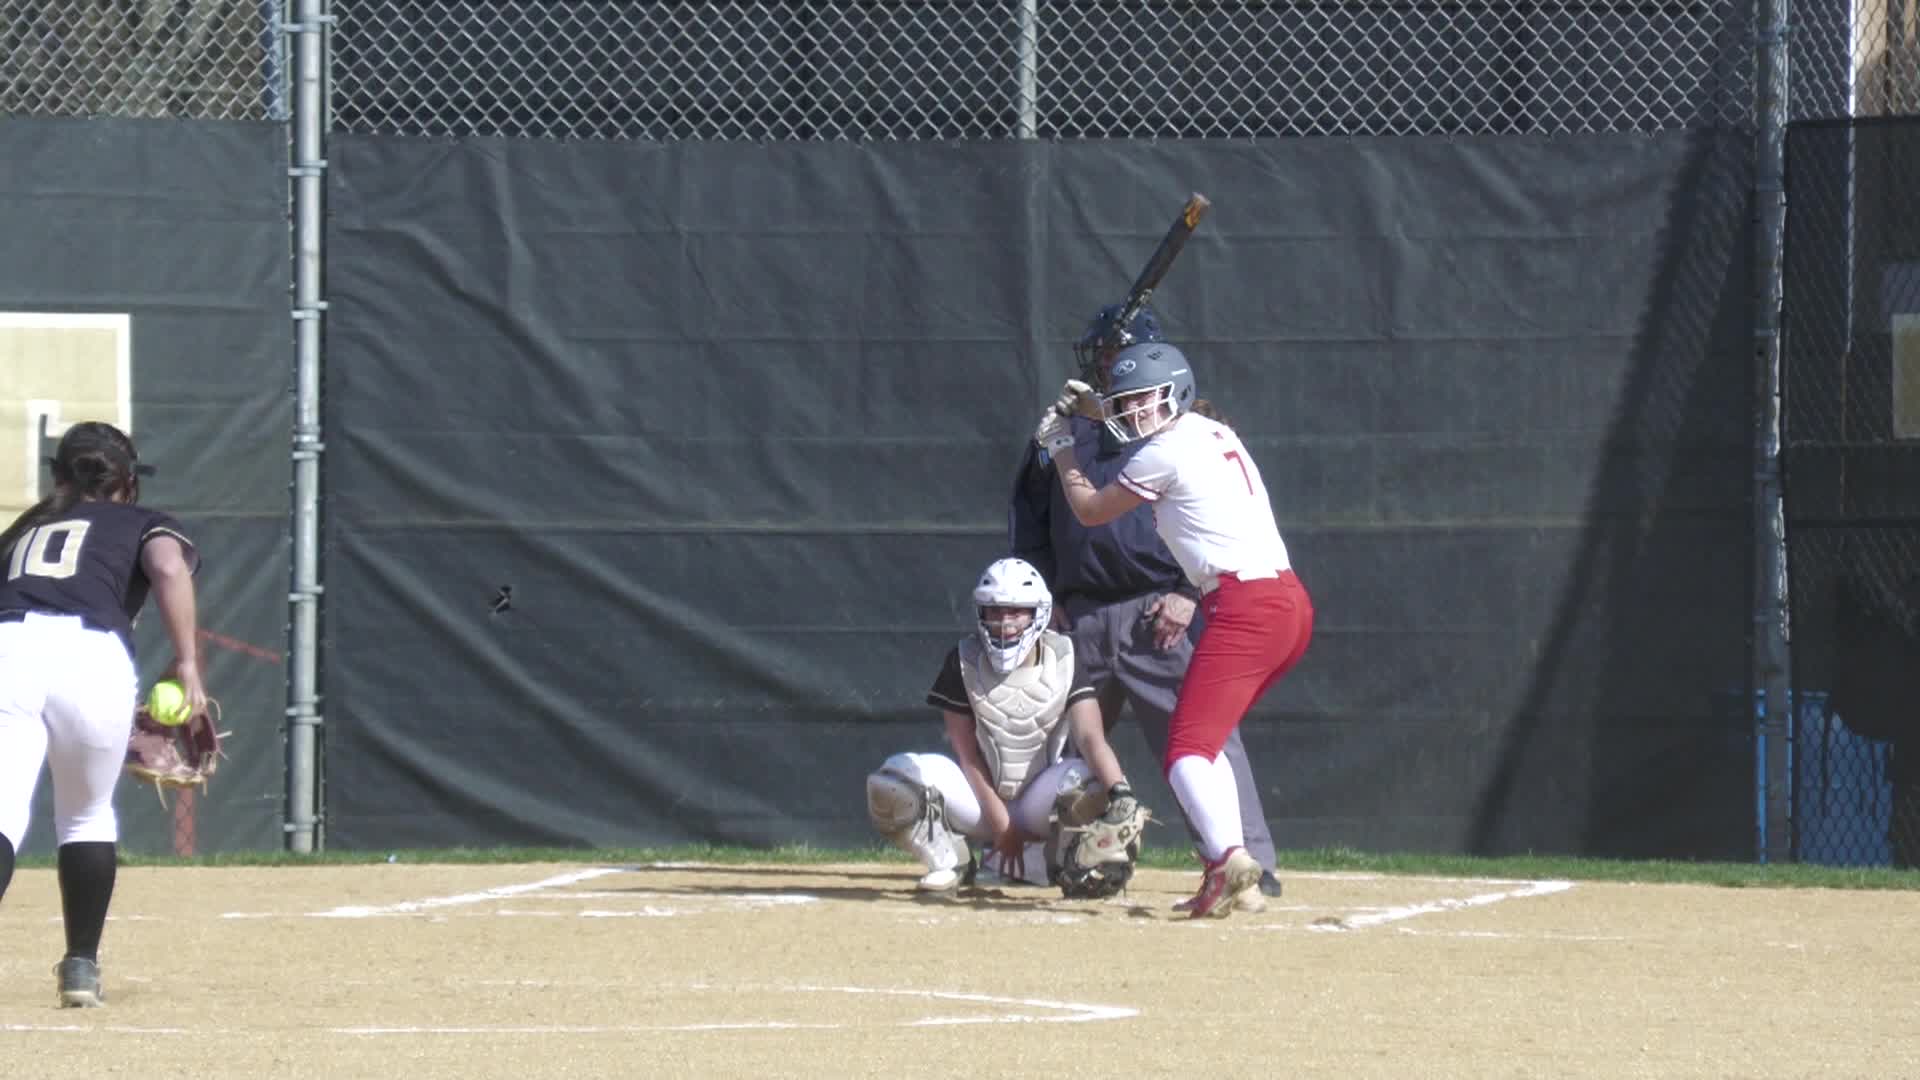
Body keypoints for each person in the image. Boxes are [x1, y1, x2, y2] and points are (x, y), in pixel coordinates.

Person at [1009, 303, 1283, 911]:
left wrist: (1187, 596)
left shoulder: (1173, 427)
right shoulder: (1066, 432)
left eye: (1113, 356)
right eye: (1103, 359)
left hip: (1156, 607)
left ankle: (1249, 861)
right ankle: (1076, 862)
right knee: (1069, 751)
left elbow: (1212, 525)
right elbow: (1029, 520)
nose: (1106, 367)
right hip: (1077, 612)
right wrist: (1045, 594)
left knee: (1203, 740)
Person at [0, 422, 206, 1006]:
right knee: (87, 816)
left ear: (59, 476)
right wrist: (188, 663)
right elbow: (168, 568)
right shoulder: (142, 521)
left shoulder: (25, 528)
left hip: (8, 649)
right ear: (127, 482)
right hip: (94, 656)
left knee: (3, 815)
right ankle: (81, 968)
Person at [866, 556, 1143, 892]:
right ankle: (951, 861)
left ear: (1038, 612)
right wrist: (1002, 826)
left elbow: (1090, 738)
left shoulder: (1065, 657)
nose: (1004, 621)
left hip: (1037, 802)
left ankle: (1063, 865)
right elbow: (967, 754)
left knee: (1091, 782)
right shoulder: (964, 659)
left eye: (1016, 611)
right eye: (995, 611)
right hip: (980, 802)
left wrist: (1121, 792)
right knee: (891, 781)